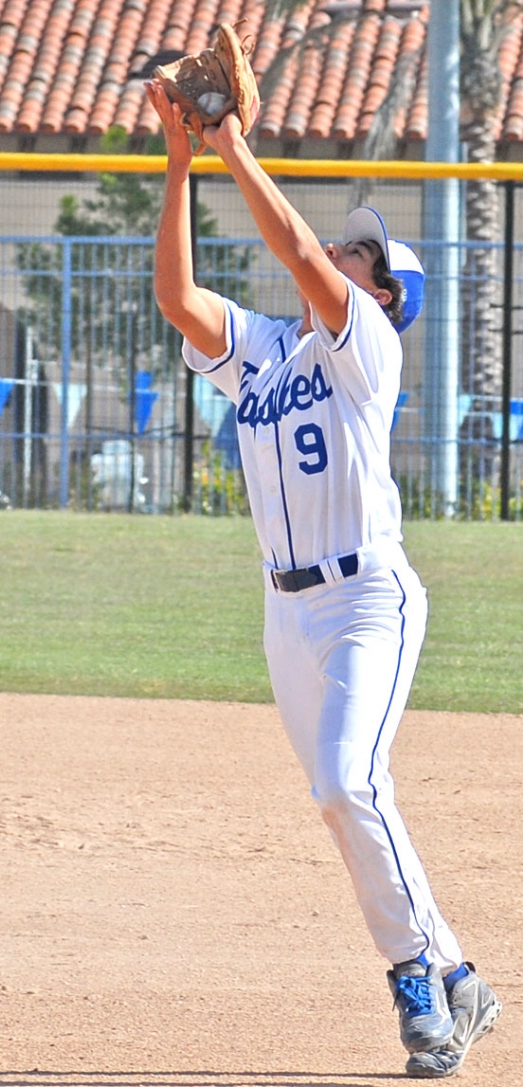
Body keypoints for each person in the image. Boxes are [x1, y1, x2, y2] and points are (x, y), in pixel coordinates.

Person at [146, 82, 500, 1079]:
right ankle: (461, 971)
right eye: (350, 244)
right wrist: (180, 158)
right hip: (283, 611)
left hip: (365, 598)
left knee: (349, 784)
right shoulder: (266, 352)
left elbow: (296, 253)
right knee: (348, 799)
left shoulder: (367, 345)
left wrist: (229, 147)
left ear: (382, 293)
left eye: (362, 252)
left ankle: (415, 986)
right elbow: (177, 299)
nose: (344, 251)